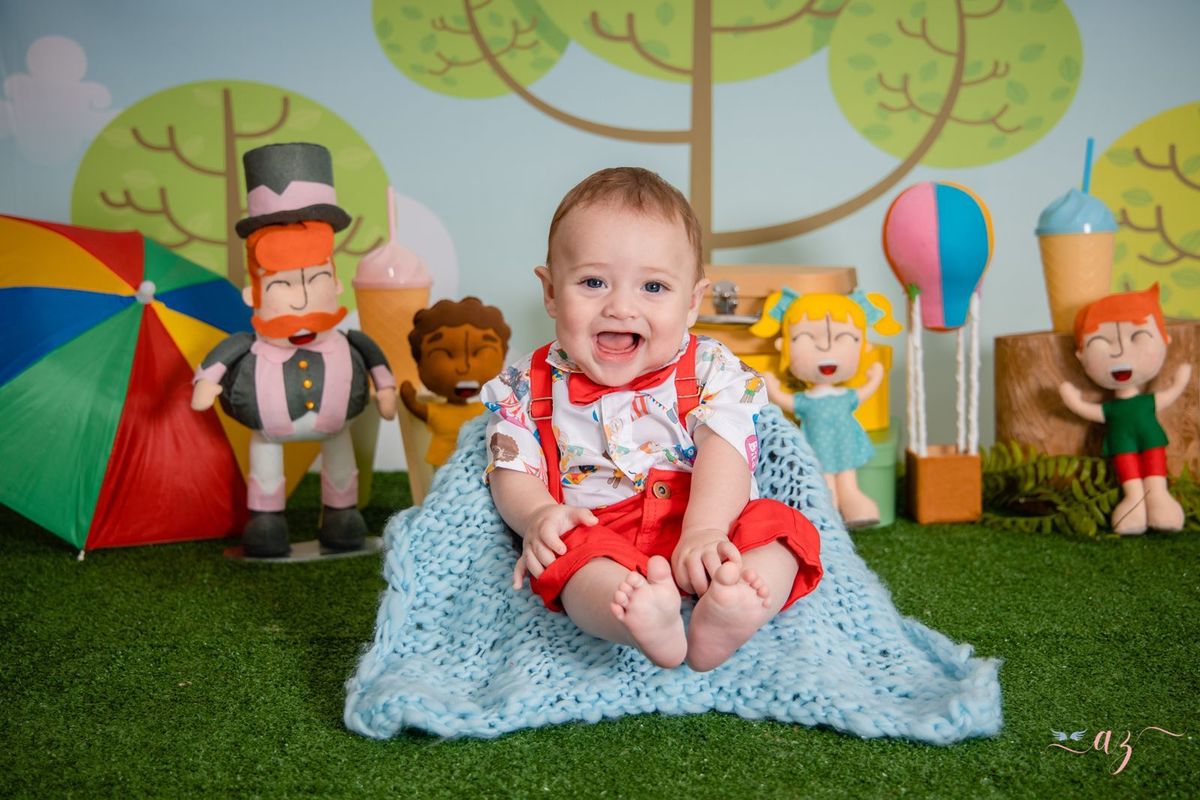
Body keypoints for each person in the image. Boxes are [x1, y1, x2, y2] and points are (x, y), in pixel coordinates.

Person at [480, 167, 823, 672]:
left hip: (707, 521)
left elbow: (728, 447)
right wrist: (537, 516)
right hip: (600, 530)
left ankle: (734, 606)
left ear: (692, 302)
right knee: (569, 560)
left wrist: (706, 530)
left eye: (654, 287)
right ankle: (639, 616)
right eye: (593, 282)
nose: (621, 307)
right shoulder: (526, 385)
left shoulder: (710, 369)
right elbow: (510, 465)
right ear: (550, 291)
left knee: (784, 527)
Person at [191, 143, 397, 557]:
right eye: (281, 285)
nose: (301, 298)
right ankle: (266, 521)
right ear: (254, 293)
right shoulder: (250, 346)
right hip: (270, 429)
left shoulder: (347, 342)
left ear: (334, 282)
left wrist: (386, 388)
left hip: (334, 423)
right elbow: (222, 357)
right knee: (265, 460)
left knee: (340, 458)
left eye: (316, 280)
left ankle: (341, 515)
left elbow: (373, 356)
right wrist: (207, 382)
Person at [752, 290, 901, 528]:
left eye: (844, 338)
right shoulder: (807, 400)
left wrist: (875, 377)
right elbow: (786, 401)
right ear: (784, 345)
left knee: (848, 478)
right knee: (825, 481)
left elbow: (863, 393)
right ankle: (828, 513)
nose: (825, 347)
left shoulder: (844, 396)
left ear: (864, 346)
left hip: (845, 444)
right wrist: (771, 386)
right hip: (819, 446)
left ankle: (853, 505)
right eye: (805, 338)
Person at [1058, 284, 1191, 534]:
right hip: (1121, 443)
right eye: (1100, 342)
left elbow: (1167, 396)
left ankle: (1159, 499)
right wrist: (1073, 401)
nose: (1120, 351)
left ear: (1165, 341)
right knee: (1128, 472)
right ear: (1080, 355)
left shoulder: (1145, 402)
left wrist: (1179, 382)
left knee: (1155, 467)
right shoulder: (1113, 409)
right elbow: (1092, 411)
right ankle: (1134, 502)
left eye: (1137, 337)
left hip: (1149, 439)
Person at [400, 297, 510, 467]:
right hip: (442, 462)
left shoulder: (484, 410)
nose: (464, 367)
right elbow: (418, 409)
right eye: (444, 353)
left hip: (477, 461)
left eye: (481, 352)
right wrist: (409, 400)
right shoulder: (439, 411)